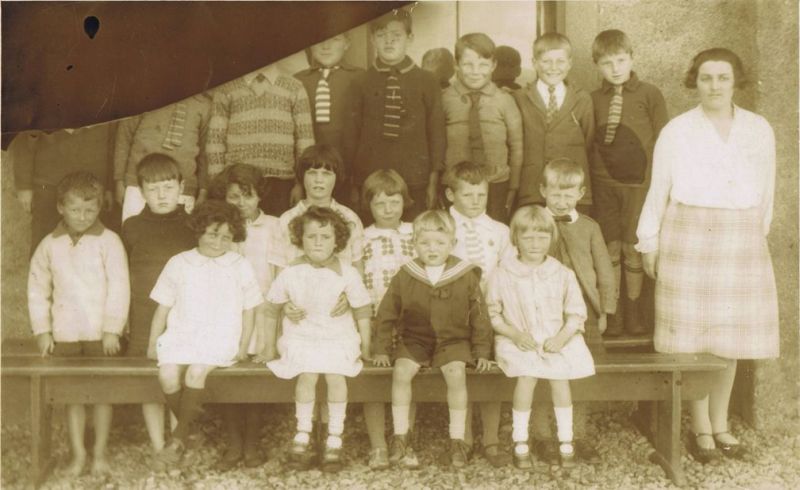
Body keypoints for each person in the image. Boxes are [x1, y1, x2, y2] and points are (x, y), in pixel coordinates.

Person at [636, 48, 778, 463]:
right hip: (687, 236)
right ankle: (699, 428)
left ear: (736, 82)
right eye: (706, 78)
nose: (714, 86)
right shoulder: (677, 131)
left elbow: (767, 188)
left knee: (729, 338)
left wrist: (756, 234)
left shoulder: (758, 129)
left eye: (722, 78)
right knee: (693, 340)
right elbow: (658, 188)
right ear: (694, 82)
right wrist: (650, 240)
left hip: (739, 237)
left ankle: (721, 424)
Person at [28, 171, 130, 476]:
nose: (82, 216)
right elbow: (37, 289)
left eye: (90, 209)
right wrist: (43, 331)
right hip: (65, 334)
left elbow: (120, 286)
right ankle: (78, 454)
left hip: (101, 335)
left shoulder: (109, 242)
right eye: (75, 209)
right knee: (72, 395)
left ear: (100, 208)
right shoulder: (49, 245)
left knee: (101, 394)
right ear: (61, 207)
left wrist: (113, 328)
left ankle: (99, 454)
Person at [374, 210, 493, 469]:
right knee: (402, 371)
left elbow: (480, 316)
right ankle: (400, 435)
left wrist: (482, 351)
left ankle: (458, 439)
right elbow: (386, 313)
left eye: (439, 242)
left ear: (452, 244)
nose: (432, 248)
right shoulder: (407, 274)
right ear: (414, 243)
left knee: (455, 373)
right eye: (425, 242)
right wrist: (382, 349)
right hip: (416, 339)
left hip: (454, 340)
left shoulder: (464, 274)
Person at [147, 200, 263, 465]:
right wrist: (153, 342)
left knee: (196, 372)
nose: (218, 242)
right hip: (182, 334)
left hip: (221, 336)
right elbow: (163, 308)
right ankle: (190, 431)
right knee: (166, 374)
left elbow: (250, 310)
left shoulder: (239, 264)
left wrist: (244, 345)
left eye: (226, 237)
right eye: (213, 234)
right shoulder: (179, 262)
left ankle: (177, 439)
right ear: (199, 230)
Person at [258, 206, 372, 472]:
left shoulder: (348, 272)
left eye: (325, 237)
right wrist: (266, 347)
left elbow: (363, 309)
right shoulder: (290, 271)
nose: (318, 242)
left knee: (335, 376)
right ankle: (303, 431)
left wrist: (366, 347)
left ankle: (334, 436)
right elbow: (271, 308)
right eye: (311, 237)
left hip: (337, 336)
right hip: (303, 336)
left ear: (337, 241)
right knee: (307, 374)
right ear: (301, 239)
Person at [486, 205, 594, 469]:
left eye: (542, 237)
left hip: (556, 338)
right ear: (516, 240)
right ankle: (520, 441)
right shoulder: (502, 273)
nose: (535, 244)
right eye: (528, 237)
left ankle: (565, 441)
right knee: (527, 374)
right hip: (518, 339)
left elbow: (576, 314)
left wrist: (562, 337)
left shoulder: (562, 273)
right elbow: (493, 314)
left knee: (560, 377)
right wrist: (514, 333)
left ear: (551, 238)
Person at [590, 29, 669, 336]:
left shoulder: (650, 94)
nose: (616, 68)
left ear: (632, 58)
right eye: (607, 63)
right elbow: (588, 142)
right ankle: (614, 311)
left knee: (633, 248)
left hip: (639, 188)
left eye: (621, 60)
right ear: (597, 65)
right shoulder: (593, 99)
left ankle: (635, 311)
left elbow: (664, 140)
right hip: (604, 186)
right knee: (610, 248)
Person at [535, 157, 613, 464]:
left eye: (569, 194)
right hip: (541, 310)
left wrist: (604, 310)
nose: (562, 200)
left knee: (581, 373)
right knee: (542, 370)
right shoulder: (532, 221)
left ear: (581, 193)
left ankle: (577, 435)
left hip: (583, 312)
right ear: (542, 190)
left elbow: (605, 271)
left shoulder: (590, 228)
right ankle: (542, 436)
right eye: (555, 194)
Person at [208, 163, 283, 471]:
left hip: (264, 311)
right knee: (228, 375)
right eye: (234, 196)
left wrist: (275, 317)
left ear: (259, 196)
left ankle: (251, 443)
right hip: (227, 314)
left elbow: (279, 273)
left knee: (255, 377)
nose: (241, 203)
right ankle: (234, 442)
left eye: (247, 195)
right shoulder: (217, 228)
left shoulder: (274, 226)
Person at [121, 154, 195, 461]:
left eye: (168, 186)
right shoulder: (132, 227)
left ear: (181, 186)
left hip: (184, 316)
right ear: (141, 192)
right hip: (143, 313)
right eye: (153, 189)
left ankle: (178, 442)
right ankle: (156, 444)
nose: (162, 195)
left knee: (177, 373)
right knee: (150, 376)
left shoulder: (193, 225)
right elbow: (122, 274)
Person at [443, 161, 515, 467]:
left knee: (489, 368)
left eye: (481, 195)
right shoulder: (441, 226)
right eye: (468, 194)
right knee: (460, 368)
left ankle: (491, 438)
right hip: (451, 313)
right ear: (450, 195)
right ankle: (463, 438)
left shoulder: (498, 231)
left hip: (489, 310)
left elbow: (508, 270)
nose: (475, 201)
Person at [344, 8, 446, 220]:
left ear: (410, 38)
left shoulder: (427, 81)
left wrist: (433, 181)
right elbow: (351, 135)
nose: (388, 42)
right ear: (373, 39)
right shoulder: (360, 82)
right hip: (369, 178)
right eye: (381, 36)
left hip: (415, 178)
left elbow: (436, 132)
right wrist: (354, 183)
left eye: (396, 36)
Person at [357, 169, 416, 469]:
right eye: (381, 204)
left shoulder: (415, 233)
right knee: (376, 378)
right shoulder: (363, 238)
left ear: (404, 201)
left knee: (408, 375)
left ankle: (403, 442)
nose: (389, 210)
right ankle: (378, 445)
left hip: (412, 319)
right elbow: (356, 280)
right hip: (378, 317)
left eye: (394, 202)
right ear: (369, 205)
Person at [206, 62, 315, 216]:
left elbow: (305, 140)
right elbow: (215, 139)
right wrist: (218, 186)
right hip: (237, 183)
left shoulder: (295, 87)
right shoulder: (226, 88)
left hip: (281, 183)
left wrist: (300, 184)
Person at [442, 33, 523, 223]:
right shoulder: (444, 99)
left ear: (493, 65)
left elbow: (517, 146)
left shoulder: (505, 100)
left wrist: (513, 186)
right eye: (468, 64)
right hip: (455, 185)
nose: (475, 71)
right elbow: (434, 143)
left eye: (483, 65)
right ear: (456, 65)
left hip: (496, 184)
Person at [512, 33, 594, 210]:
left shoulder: (581, 99)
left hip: (570, 191)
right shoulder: (519, 98)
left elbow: (589, 141)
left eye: (560, 61)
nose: (553, 68)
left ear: (570, 63)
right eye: (546, 61)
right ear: (534, 62)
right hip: (532, 188)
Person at [12, 123, 118, 250]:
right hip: (49, 183)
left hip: (91, 184)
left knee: (89, 241)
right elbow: (24, 141)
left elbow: (112, 144)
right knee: (44, 235)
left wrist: (109, 187)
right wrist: (24, 186)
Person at [114, 94, 212, 223]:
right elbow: (123, 140)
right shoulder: (141, 95)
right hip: (138, 185)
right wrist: (119, 181)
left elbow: (205, 152)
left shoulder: (204, 104)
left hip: (183, 189)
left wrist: (203, 190)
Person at [294, 32, 365, 205]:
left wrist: (357, 179)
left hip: (349, 172)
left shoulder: (361, 77)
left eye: (335, 39)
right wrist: (297, 181)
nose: (326, 46)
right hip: (310, 171)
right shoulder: (297, 81)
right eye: (319, 40)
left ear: (347, 43)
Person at [278, 144, 364, 267]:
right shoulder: (286, 219)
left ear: (337, 177)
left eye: (326, 174)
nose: (319, 180)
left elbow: (357, 266)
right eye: (312, 173)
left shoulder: (350, 218)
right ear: (302, 176)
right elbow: (280, 270)